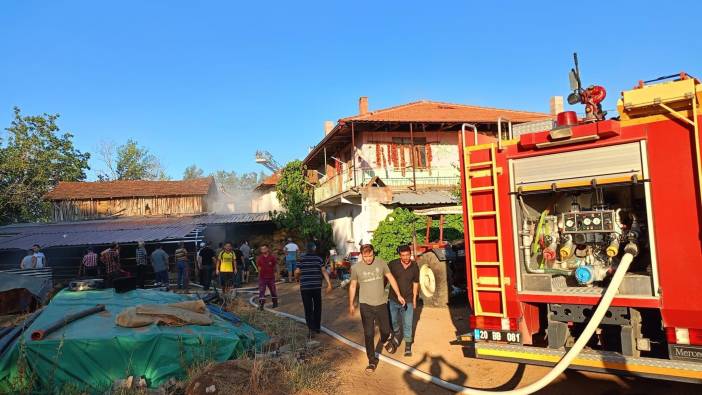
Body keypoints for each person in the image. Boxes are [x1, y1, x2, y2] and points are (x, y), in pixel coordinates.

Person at [348, 243, 405, 373]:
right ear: (361, 255)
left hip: (381, 303)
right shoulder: (356, 268)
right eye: (366, 256)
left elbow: (391, 278)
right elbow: (352, 286)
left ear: (374, 253)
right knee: (368, 334)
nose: (369, 259)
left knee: (385, 331)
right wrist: (351, 303)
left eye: (371, 255)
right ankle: (372, 361)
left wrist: (399, 294)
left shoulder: (381, 263)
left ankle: (385, 341)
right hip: (365, 304)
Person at [388, 244, 420, 357]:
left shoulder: (415, 266)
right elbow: (386, 278)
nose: (406, 258)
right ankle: (397, 333)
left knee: (408, 323)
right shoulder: (392, 265)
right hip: (393, 299)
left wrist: (415, 299)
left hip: (408, 300)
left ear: (410, 254)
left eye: (407, 255)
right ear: (399, 255)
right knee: (393, 321)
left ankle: (407, 345)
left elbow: (416, 283)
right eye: (403, 255)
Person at [295, 242, 332, 337]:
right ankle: (317, 327)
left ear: (306, 249)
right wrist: (329, 284)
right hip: (316, 287)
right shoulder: (319, 259)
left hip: (305, 287)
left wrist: (297, 278)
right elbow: (323, 271)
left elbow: (297, 271)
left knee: (308, 308)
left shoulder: (301, 259)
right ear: (314, 249)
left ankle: (311, 329)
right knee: (317, 307)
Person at [256, 244, 278, 310]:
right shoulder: (259, 258)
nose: (263, 250)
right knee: (262, 291)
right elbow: (259, 268)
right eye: (262, 249)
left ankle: (275, 303)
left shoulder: (272, 257)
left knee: (273, 291)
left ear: (267, 249)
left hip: (271, 277)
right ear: (261, 250)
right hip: (262, 278)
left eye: (264, 248)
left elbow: (276, 266)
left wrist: (277, 275)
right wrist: (259, 277)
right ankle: (261, 304)